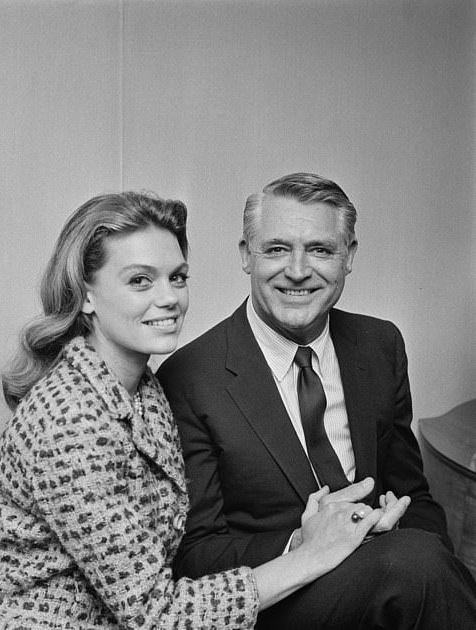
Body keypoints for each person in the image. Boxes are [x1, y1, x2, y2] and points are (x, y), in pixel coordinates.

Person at [0, 190, 391, 629]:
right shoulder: (72, 420)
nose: (169, 299)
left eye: (177, 277)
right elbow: (155, 616)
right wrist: (310, 554)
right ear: (87, 295)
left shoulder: (144, 390)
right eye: (140, 281)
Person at [157, 173, 476, 629]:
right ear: (247, 256)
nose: (298, 270)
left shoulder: (380, 345)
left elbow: (414, 495)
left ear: (349, 257)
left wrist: (395, 533)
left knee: (423, 561)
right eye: (277, 249)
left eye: (321, 249)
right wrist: (302, 543)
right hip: (278, 603)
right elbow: (196, 554)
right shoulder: (190, 377)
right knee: (417, 565)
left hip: (393, 576)